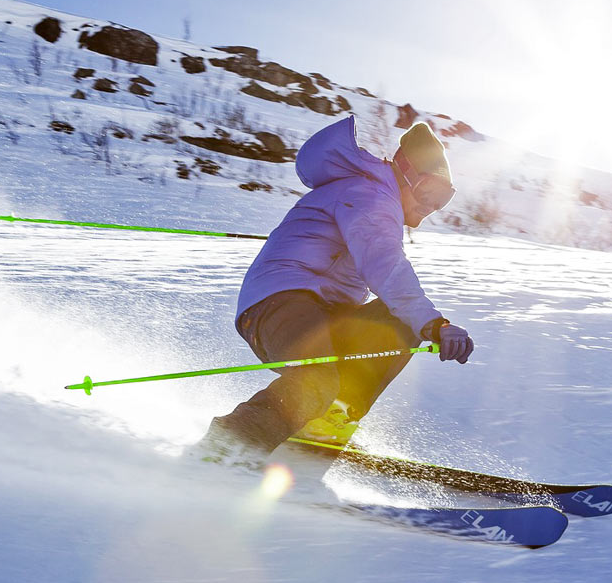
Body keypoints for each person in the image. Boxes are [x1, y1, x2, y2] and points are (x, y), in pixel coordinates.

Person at [197, 115, 474, 465]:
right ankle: (225, 449)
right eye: (429, 192)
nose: (432, 207)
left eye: (443, 199)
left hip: (321, 311)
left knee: (396, 321)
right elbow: (385, 265)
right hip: (279, 304)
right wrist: (435, 323)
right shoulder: (372, 194)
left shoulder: (371, 195)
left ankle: (321, 431)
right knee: (318, 378)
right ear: (405, 174)